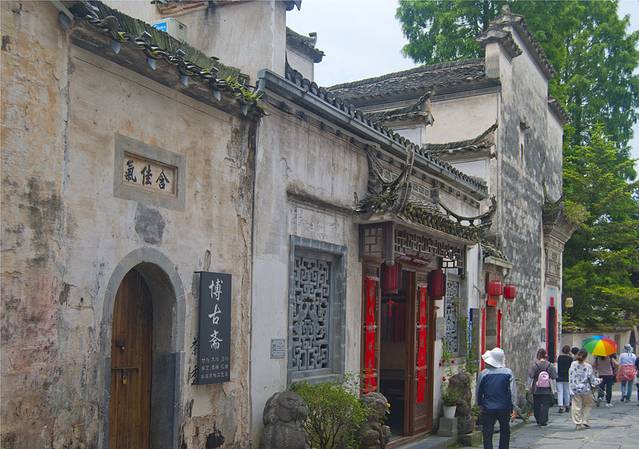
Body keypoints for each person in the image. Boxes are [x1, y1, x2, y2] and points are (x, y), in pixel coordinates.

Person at [477, 348, 517, 449]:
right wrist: (514, 407)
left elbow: (479, 391)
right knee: (505, 430)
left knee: (487, 432)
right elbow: (513, 392)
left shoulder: (484, 373)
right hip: (504, 407)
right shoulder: (508, 372)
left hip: (488, 407)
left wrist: (480, 404)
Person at [569, 349, 600, 429]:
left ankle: (578, 423)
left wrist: (571, 387)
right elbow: (592, 379)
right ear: (586, 357)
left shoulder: (573, 364)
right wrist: (598, 380)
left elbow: (571, 376)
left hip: (575, 388)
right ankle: (585, 420)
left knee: (576, 406)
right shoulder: (588, 366)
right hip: (585, 389)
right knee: (588, 404)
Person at [527, 348, 557, 426]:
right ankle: (543, 420)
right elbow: (554, 376)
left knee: (536, 404)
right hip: (547, 388)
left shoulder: (535, 365)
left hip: (536, 388)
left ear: (538, 355)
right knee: (545, 404)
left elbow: (531, 376)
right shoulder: (550, 365)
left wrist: (528, 387)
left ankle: (538, 418)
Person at [556, 345, 573, 413]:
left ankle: (560, 406)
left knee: (560, 392)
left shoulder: (559, 357)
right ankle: (567, 405)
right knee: (567, 391)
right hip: (567, 376)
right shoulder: (570, 359)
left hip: (560, 376)